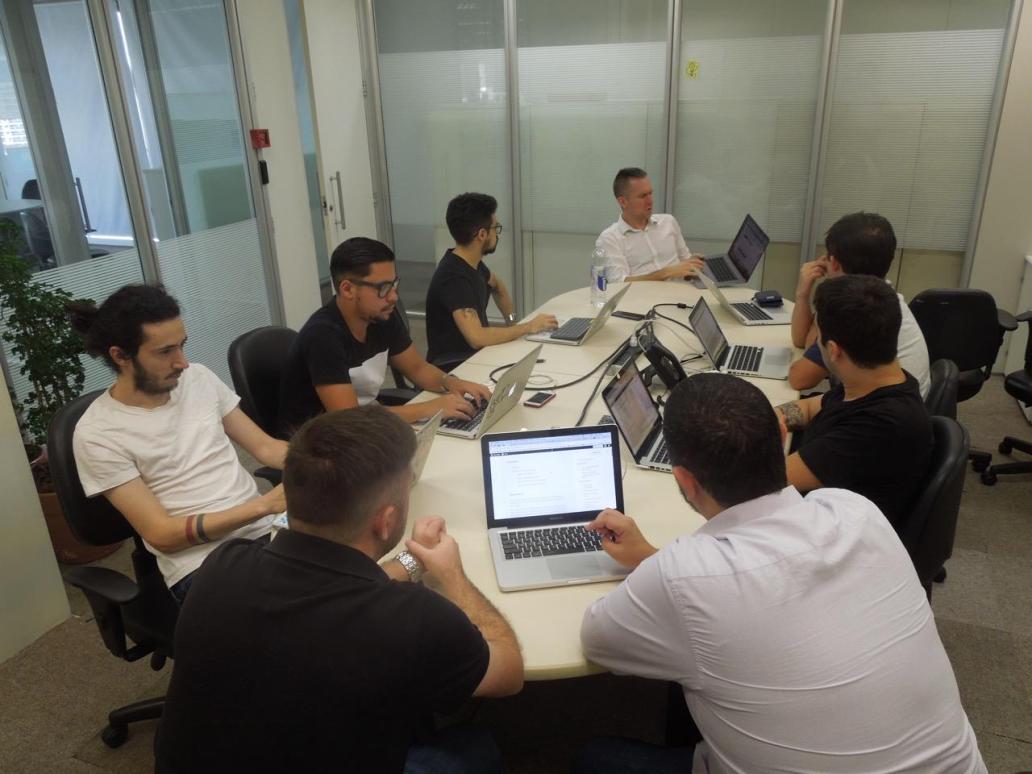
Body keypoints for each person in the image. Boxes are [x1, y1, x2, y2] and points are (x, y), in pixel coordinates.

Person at [576, 373, 985, 774]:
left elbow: (598, 642)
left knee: (594, 755)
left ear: (684, 480)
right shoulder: (854, 510)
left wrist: (653, 566)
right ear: (783, 439)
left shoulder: (683, 574)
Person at [154, 406, 524, 773]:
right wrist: (453, 575)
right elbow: (508, 674)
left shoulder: (225, 562)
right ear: (387, 521)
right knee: (475, 746)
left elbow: (335, 591)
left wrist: (418, 560)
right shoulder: (416, 618)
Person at [69, 285, 285, 600]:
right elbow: (163, 535)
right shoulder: (97, 434)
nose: (182, 362)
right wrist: (264, 506)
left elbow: (265, 448)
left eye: (182, 346)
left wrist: (331, 460)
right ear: (120, 356)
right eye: (165, 352)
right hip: (200, 564)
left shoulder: (198, 378)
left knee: (359, 565)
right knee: (303, 617)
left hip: (267, 532)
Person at [278, 236, 493, 437]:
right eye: (383, 288)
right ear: (348, 289)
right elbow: (349, 418)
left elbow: (417, 369)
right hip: (322, 443)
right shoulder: (323, 337)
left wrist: (451, 383)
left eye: (394, 284)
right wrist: (431, 408)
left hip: (366, 426)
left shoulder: (380, 316)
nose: (393, 296)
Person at [778, 274, 933, 532]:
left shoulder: (881, 425)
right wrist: (764, 420)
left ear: (834, 350)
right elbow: (806, 408)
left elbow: (764, 481)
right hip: (820, 515)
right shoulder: (870, 380)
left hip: (828, 542)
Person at [789, 211, 930, 397]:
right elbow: (802, 342)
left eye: (828, 255)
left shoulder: (854, 311)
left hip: (875, 416)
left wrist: (824, 291)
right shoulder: (880, 297)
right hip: (898, 406)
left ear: (835, 262)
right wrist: (803, 296)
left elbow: (799, 378)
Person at [425, 192, 556, 364]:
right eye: (496, 229)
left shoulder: (472, 264)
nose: (498, 234)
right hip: (456, 367)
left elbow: (498, 287)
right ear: (481, 234)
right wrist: (527, 327)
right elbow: (477, 337)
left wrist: (512, 324)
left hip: (478, 356)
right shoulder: (454, 278)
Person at [595, 167, 704, 283]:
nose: (650, 200)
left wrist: (693, 262)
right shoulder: (610, 238)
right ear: (623, 202)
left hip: (682, 296)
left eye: (650, 193)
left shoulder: (668, 222)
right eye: (642, 196)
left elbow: (685, 261)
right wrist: (666, 272)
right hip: (645, 299)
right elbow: (619, 282)